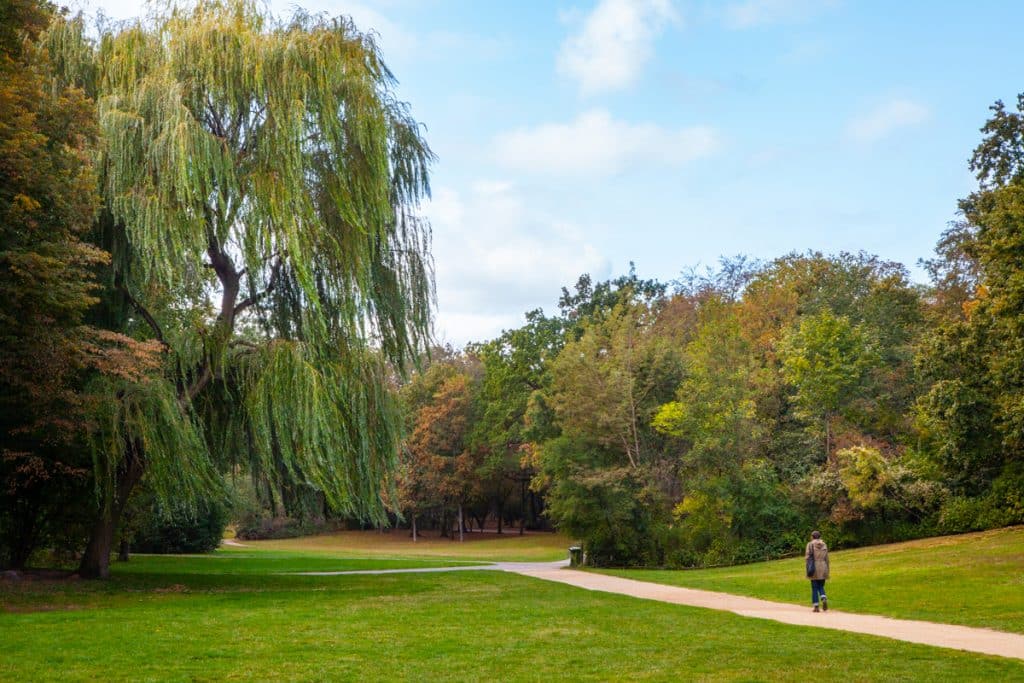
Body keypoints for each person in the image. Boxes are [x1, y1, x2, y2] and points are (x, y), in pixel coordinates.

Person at [805, 530, 830, 612]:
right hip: (823, 566)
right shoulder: (824, 544)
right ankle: (823, 597)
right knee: (821, 586)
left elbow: (807, 557)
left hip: (814, 567)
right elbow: (827, 558)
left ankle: (816, 606)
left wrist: (807, 568)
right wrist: (827, 570)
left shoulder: (810, 544)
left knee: (814, 587)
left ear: (812, 536)